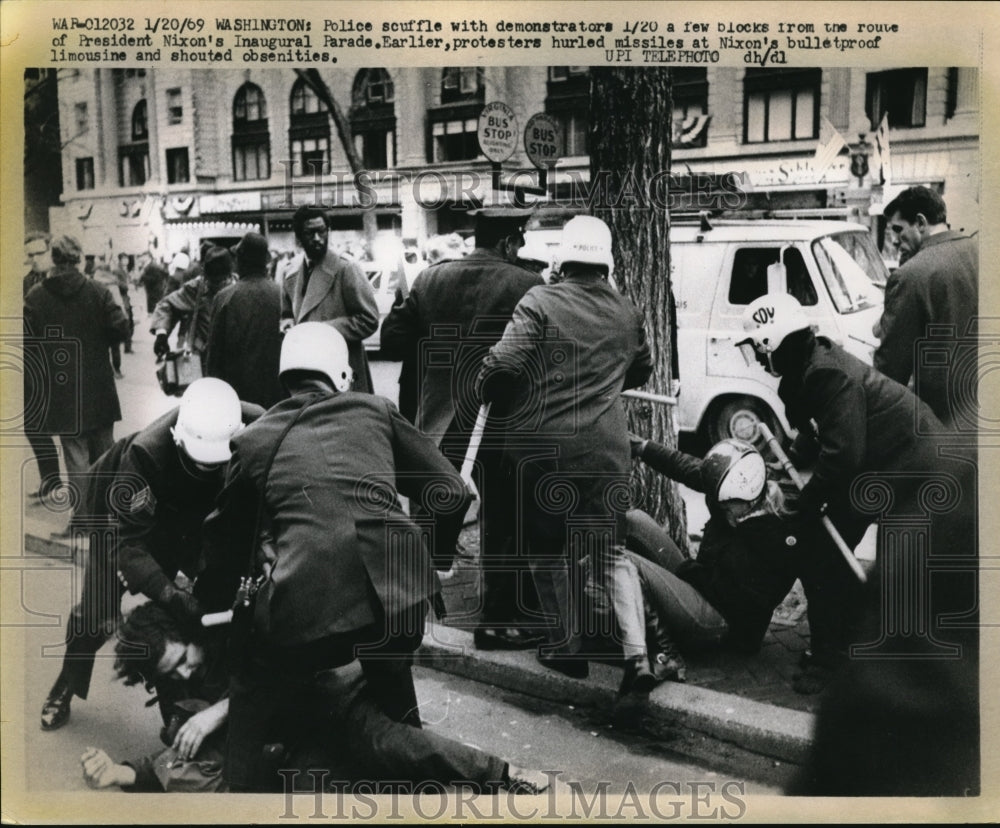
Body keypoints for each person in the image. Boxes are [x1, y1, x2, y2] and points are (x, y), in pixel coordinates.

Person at [205, 322, 472, 791]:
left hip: (312, 603)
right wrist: (433, 551)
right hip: (402, 589)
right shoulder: (376, 410)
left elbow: (225, 541)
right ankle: (410, 784)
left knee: (252, 682)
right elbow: (449, 491)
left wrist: (215, 596)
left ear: (283, 378)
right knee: (394, 699)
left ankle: (241, 792)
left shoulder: (254, 440)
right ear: (342, 377)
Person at [80, 603, 549, 794]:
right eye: (171, 674)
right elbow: (181, 754)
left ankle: (505, 774)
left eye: (183, 658)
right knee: (312, 796)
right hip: (294, 747)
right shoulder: (179, 688)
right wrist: (121, 771)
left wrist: (221, 711)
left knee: (391, 745)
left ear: (187, 633)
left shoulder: (236, 631)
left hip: (327, 702)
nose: (185, 674)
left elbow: (290, 675)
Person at [477, 215, 656, 695]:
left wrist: (488, 382)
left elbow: (503, 366)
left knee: (547, 553)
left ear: (562, 259)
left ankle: (566, 646)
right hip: (604, 453)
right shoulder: (627, 312)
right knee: (611, 555)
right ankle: (638, 658)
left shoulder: (539, 301)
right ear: (606, 262)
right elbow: (641, 369)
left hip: (541, 455)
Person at [38, 378, 263, 732]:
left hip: (193, 516)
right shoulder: (145, 454)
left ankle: (179, 711)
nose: (210, 468)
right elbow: (130, 545)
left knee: (192, 616)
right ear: (179, 440)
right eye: (202, 462)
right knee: (98, 610)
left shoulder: (257, 422)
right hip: (121, 518)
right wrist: (170, 593)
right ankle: (67, 681)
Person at [381, 208, 545, 651]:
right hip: (499, 419)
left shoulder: (431, 278)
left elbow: (392, 338)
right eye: (520, 243)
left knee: (430, 513)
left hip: (439, 417)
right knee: (502, 517)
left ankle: (406, 616)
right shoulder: (527, 285)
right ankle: (496, 618)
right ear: (510, 243)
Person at [628, 437, 863, 693]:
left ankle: (662, 653)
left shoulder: (782, 537)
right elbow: (688, 468)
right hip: (698, 584)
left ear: (750, 501)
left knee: (630, 563)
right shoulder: (730, 491)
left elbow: (821, 586)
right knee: (634, 520)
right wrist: (644, 448)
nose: (721, 510)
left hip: (720, 622)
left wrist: (823, 662)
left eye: (727, 506)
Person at [23, 235, 131, 512]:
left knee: (76, 458)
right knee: (105, 455)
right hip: (99, 389)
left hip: (62, 393)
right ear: (79, 259)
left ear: (54, 259)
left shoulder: (35, 297)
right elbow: (121, 330)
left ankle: (82, 520)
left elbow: (27, 344)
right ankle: (109, 515)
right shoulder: (98, 291)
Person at [873, 186, 978, 428]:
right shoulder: (979, 251)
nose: (895, 240)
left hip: (944, 416)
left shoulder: (910, 274)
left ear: (920, 222)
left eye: (898, 229)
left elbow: (890, 368)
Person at [279, 205, 379, 393]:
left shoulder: (345, 268)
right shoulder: (289, 272)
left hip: (342, 371)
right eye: (310, 233)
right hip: (306, 368)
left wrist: (323, 330)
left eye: (322, 231)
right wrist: (287, 325)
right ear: (298, 237)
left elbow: (369, 319)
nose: (317, 238)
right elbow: (285, 314)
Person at [206, 232, 286, 410]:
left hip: (238, 398)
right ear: (266, 261)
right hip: (278, 396)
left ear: (239, 261)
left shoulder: (224, 298)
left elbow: (214, 358)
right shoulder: (283, 295)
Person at [22, 232, 62, 501]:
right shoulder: (27, 282)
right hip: (32, 362)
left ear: (50, 252)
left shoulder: (61, 283)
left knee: (74, 434)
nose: (34, 259)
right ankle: (51, 480)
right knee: (33, 425)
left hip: (58, 362)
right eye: (30, 255)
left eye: (38, 253)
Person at [151, 246, 235, 373]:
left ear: (229, 276)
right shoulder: (197, 288)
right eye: (211, 280)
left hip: (232, 360)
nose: (215, 284)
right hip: (203, 359)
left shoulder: (240, 289)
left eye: (220, 280)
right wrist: (161, 334)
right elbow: (166, 304)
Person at [112, 252, 135, 354]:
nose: (126, 261)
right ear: (120, 260)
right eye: (124, 259)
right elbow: (118, 283)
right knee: (127, 321)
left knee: (130, 321)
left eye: (127, 259)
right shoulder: (117, 271)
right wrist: (127, 286)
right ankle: (127, 346)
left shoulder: (125, 270)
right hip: (122, 298)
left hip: (128, 298)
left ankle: (127, 344)